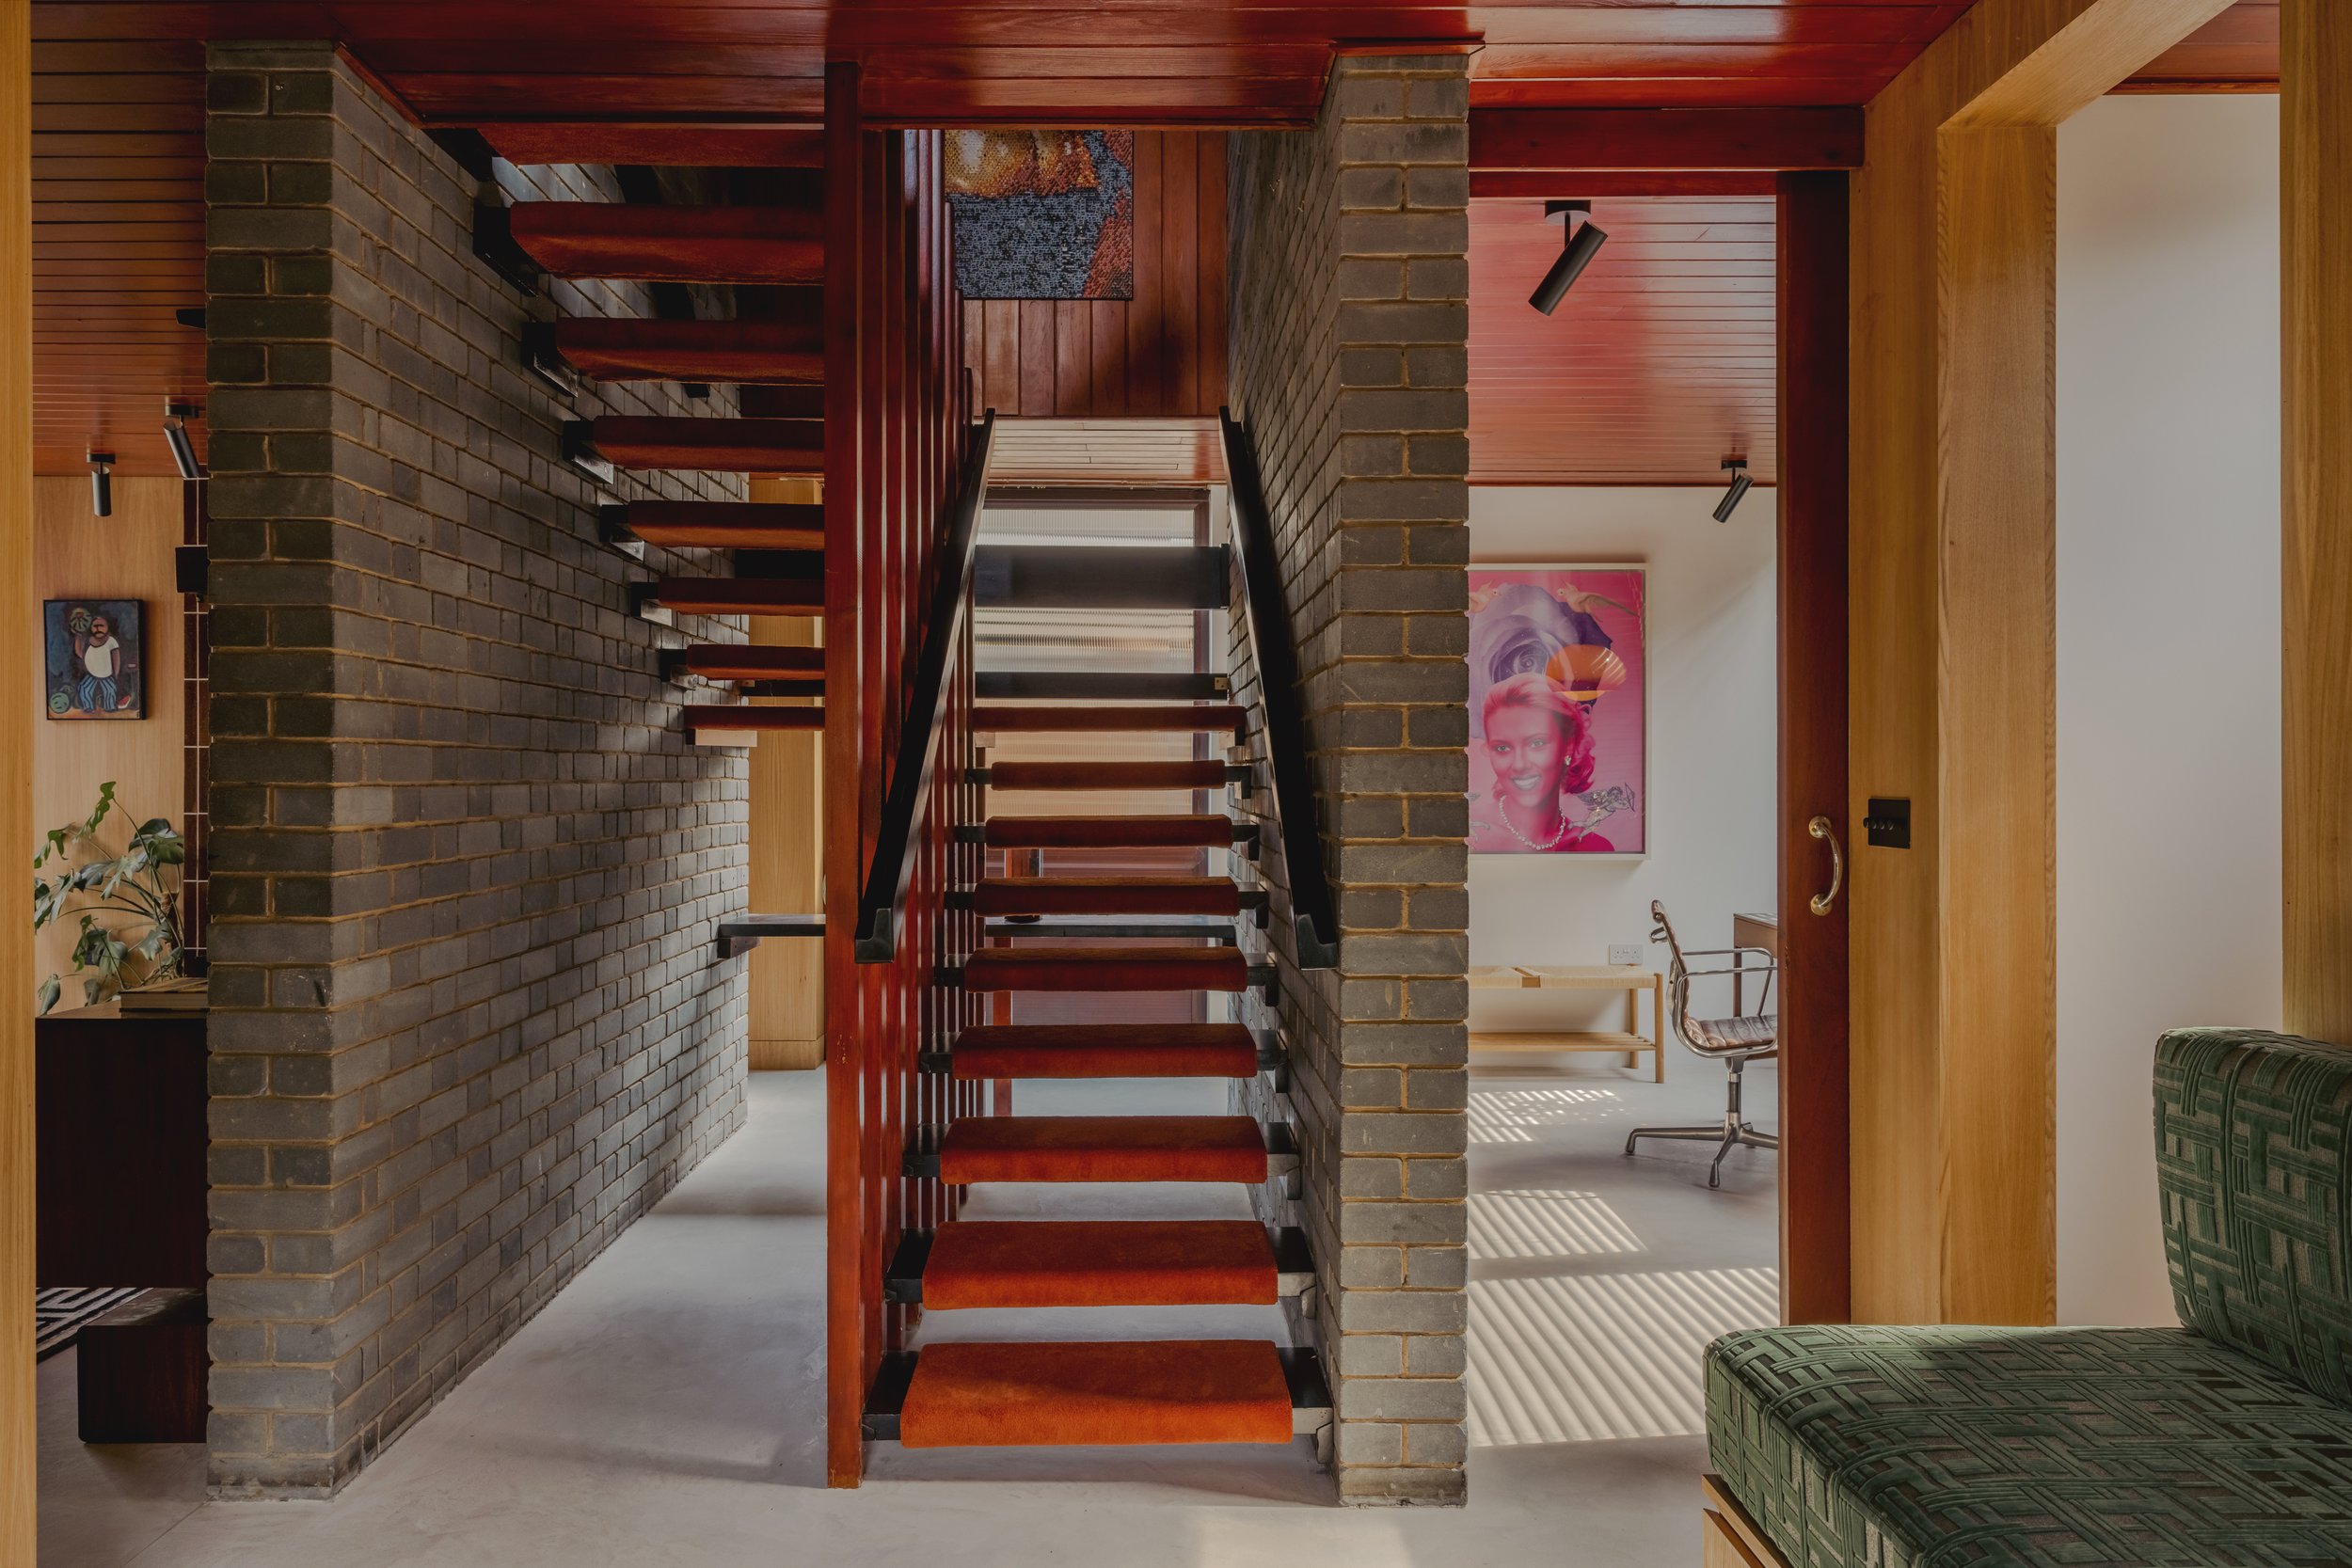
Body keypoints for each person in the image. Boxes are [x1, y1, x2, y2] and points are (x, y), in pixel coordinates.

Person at [1469, 672, 1614, 853]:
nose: (1520, 765)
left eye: (1537, 743)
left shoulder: (1593, 847)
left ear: (1568, 746)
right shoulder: (1470, 836)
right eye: (1502, 748)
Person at [74, 610, 129, 714]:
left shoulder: (111, 641)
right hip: (91, 673)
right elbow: (80, 653)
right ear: (91, 627)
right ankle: (88, 707)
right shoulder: (88, 640)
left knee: (110, 690)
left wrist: (116, 672)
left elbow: (116, 656)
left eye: (101, 625)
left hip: (107, 674)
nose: (98, 628)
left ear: (108, 627)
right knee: (84, 688)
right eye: (95, 626)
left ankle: (110, 706)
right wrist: (77, 636)